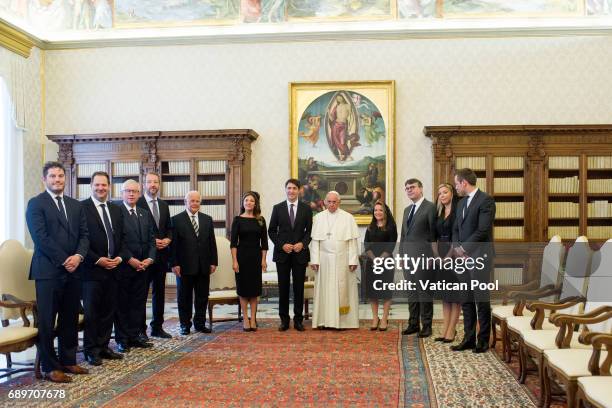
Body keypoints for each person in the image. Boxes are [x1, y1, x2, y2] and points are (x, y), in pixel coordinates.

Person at [26, 161, 90, 383]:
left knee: (70, 317)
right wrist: (65, 260)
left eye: (60, 176)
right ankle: (49, 367)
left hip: (74, 270)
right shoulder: (36, 204)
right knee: (47, 319)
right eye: (52, 176)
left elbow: (85, 236)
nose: (57, 180)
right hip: (48, 271)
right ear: (45, 179)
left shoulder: (76, 205)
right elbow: (40, 238)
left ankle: (69, 360)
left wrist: (78, 257)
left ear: (65, 178)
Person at [81, 171, 125, 366]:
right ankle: (91, 350)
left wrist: (120, 257)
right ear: (91, 185)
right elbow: (80, 241)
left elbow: (122, 239)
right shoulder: (81, 208)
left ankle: (104, 346)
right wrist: (97, 260)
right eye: (97, 185)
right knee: (92, 312)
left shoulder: (116, 209)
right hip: (92, 270)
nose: (101, 188)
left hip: (113, 269)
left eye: (104, 185)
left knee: (109, 310)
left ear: (109, 187)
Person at [451, 168, 495, 354]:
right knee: (466, 299)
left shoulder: (486, 201)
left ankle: (482, 341)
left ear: (464, 183)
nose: (455, 187)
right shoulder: (460, 203)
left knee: (481, 299)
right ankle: (468, 339)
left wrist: (465, 249)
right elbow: (455, 229)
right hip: (462, 258)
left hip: (479, 256)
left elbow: (483, 230)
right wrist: (457, 249)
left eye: (456, 184)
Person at [115, 179, 156, 352]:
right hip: (125, 267)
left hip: (143, 267)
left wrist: (150, 259)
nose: (131, 194)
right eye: (128, 191)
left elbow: (152, 240)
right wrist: (129, 259)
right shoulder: (117, 213)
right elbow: (118, 240)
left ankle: (134, 336)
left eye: (134, 191)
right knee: (123, 304)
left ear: (139, 194)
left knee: (139, 304)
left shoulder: (144, 213)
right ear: (122, 193)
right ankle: (122, 339)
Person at [309, 191, 360, 329]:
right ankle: (323, 321)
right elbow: (315, 242)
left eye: (334, 202)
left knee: (343, 291)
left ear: (339, 202)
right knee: (325, 291)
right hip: (324, 261)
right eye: (329, 201)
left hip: (342, 260)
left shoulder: (348, 217)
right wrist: (314, 260)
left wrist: (353, 260)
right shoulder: (318, 217)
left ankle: (344, 322)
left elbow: (352, 242)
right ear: (325, 202)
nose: (331, 204)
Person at [268, 178, 313, 332]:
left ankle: (298, 320)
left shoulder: (306, 209)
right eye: (289, 188)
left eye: (294, 188)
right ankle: (284, 320)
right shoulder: (277, 208)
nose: (291, 191)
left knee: (299, 288)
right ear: (285, 190)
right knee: (283, 288)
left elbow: (310, 232)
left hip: (300, 254)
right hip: (283, 254)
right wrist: (282, 245)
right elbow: (272, 231)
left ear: (299, 190)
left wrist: (303, 243)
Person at [171, 191, 217, 335]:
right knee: (184, 297)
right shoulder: (176, 220)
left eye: (197, 201)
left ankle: (200, 324)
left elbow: (212, 242)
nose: (195, 203)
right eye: (192, 201)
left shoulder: (207, 219)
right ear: (186, 202)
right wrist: (174, 263)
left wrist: (213, 262)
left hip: (203, 265)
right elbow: (173, 245)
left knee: (202, 297)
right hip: (184, 266)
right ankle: (185, 324)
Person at [137, 172, 173, 339]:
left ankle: (157, 327)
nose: (153, 184)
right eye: (150, 182)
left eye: (156, 182)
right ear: (144, 184)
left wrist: (167, 239)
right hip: (144, 256)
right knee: (142, 294)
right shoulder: (138, 202)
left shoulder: (164, 205)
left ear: (159, 185)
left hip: (162, 256)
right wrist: (153, 241)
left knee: (159, 292)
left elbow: (169, 228)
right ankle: (140, 330)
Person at [399, 178, 436, 338]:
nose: (409, 190)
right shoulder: (407, 210)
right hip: (407, 257)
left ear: (421, 189)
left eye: (412, 187)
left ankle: (426, 326)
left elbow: (434, 234)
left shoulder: (430, 207)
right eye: (406, 188)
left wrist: (433, 256)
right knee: (412, 292)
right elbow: (403, 234)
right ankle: (413, 324)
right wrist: (401, 255)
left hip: (424, 257)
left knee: (424, 292)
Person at [230, 191, 268, 332]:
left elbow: (264, 243)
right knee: (243, 289)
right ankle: (245, 318)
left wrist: (263, 260)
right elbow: (233, 243)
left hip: (256, 258)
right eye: (246, 200)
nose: (249, 203)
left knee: (254, 290)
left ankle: (253, 318)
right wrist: (235, 261)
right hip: (241, 258)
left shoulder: (261, 220)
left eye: (251, 200)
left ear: (255, 203)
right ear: (243, 203)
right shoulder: (238, 220)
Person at [432, 183, 461, 343]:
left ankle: (452, 329)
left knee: (455, 295)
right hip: (440, 254)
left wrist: (449, 256)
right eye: (439, 193)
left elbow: (456, 237)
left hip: (454, 254)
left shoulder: (457, 213)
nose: (442, 195)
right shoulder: (439, 212)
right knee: (445, 294)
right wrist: (437, 256)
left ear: (452, 194)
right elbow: (434, 237)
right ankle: (445, 328)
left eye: (445, 192)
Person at [363, 201, 397, 331]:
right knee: (373, 293)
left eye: (380, 210)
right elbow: (367, 245)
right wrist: (374, 259)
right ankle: (375, 318)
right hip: (372, 263)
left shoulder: (391, 227)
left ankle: (384, 318)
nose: (377, 212)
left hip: (386, 262)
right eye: (375, 210)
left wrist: (381, 259)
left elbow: (391, 246)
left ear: (385, 212)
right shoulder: (370, 227)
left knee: (386, 292)